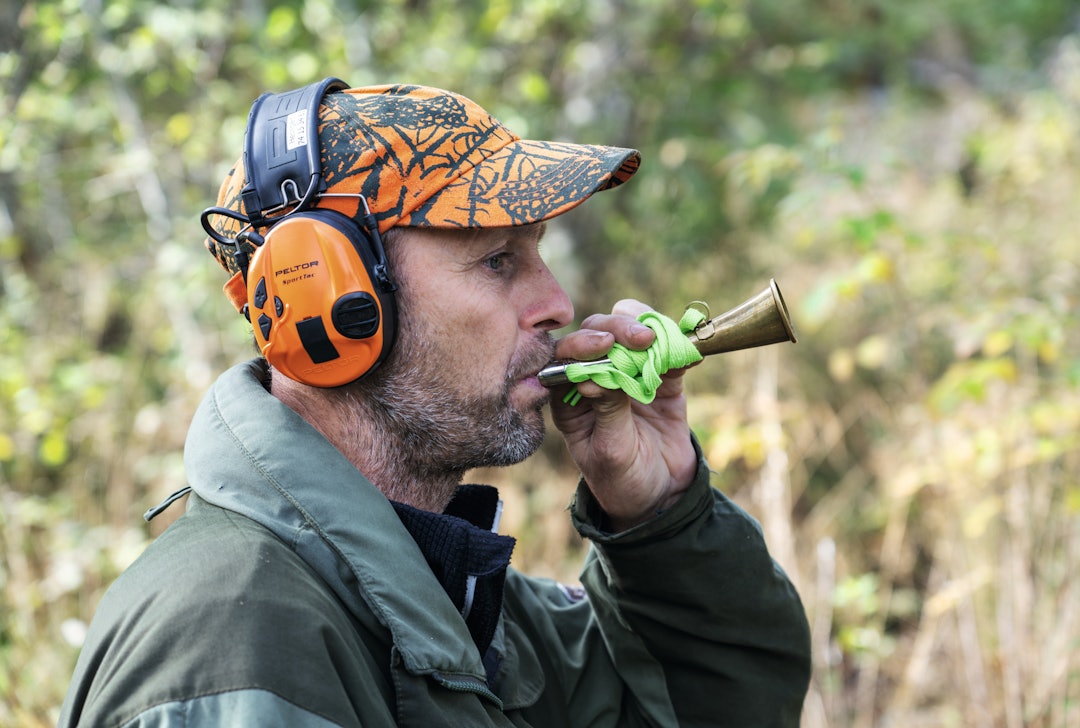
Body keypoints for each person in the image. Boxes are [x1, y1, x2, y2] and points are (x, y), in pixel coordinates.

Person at [59, 79, 811, 727]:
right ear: (330, 296)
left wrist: (659, 517)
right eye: (496, 260)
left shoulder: (458, 605)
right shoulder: (235, 638)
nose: (556, 303)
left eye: (539, 252)